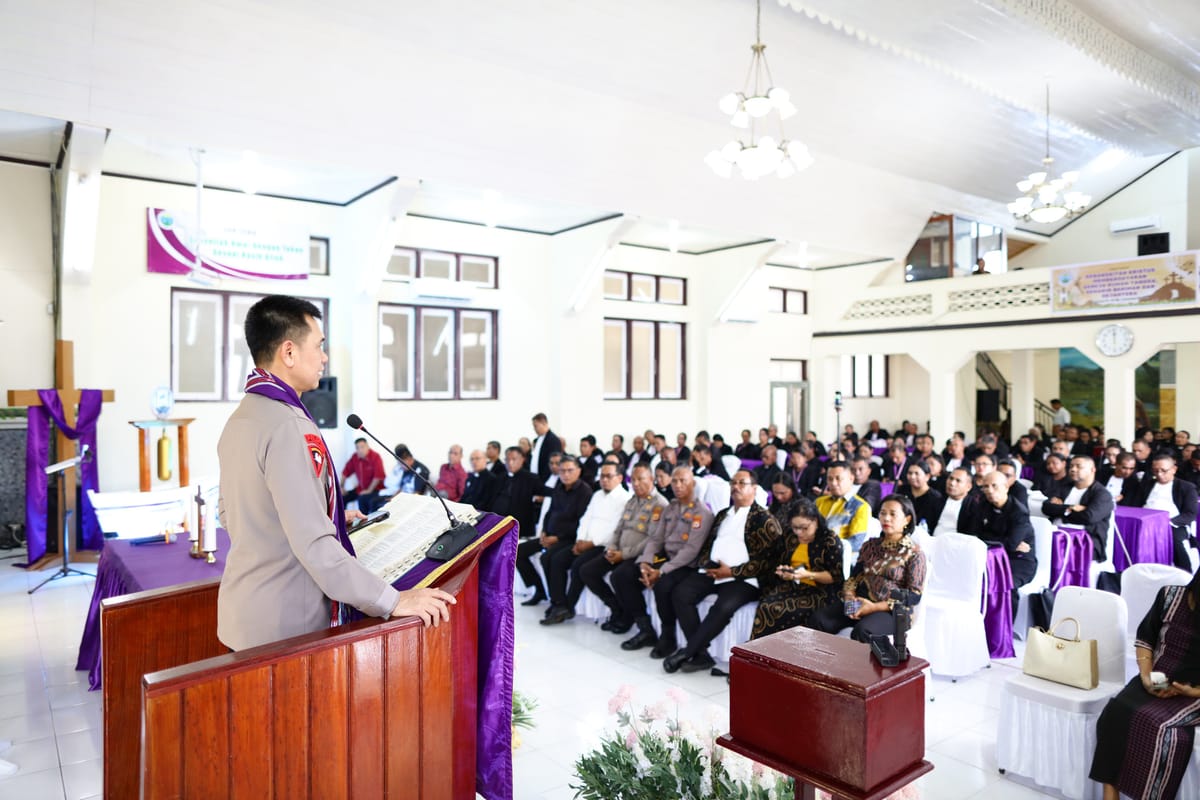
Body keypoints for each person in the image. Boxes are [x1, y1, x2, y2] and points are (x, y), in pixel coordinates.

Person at [216, 295, 452, 651]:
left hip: (246, 615)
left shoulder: (242, 418)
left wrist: (329, 518)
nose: (325, 358)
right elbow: (314, 547)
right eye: (320, 345)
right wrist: (393, 601)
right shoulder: (288, 426)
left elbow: (232, 514)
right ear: (290, 352)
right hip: (285, 628)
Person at [1090, 574, 1200, 800]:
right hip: (1158, 676)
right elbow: (1145, 639)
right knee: (1115, 711)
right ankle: (1110, 795)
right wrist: (1148, 677)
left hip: (1194, 693)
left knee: (1159, 729)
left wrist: (1193, 691)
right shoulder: (1170, 595)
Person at [662, 471, 780, 674]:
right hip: (714, 572)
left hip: (745, 579)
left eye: (742, 483)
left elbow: (769, 561)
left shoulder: (764, 519)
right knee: (681, 594)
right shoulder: (723, 514)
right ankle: (702, 656)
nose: (736, 487)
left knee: (722, 607)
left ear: (754, 488)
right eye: (733, 483)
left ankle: (687, 652)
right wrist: (709, 565)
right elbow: (708, 545)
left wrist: (732, 571)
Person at [615, 468, 714, 657]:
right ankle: (645, 628)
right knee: (623, 575)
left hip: (687, 565)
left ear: (693, 483)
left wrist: (660, 572)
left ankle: (668, 637)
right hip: (666, 558)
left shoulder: (702, 513)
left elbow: (690, 551)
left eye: (683, 481)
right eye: (674, 481)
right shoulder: (670, 508)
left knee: (662, 586)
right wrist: (645, 562)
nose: (677, 485)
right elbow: (656, 539)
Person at [806, 495, 926, 643]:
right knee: (819, 620)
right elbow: (854, 577)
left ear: (907, 519)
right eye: (882, 513)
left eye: (892, 514)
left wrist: (874, 607)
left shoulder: (914, 553)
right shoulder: (870, 546)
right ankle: (819, 663)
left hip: (891, 611)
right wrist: (850, 598)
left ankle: (857, 667)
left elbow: (913, 595)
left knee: (863, 631)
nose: (886, 518)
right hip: (859, 602)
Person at [579, 464, 668, 634]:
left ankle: (644, 627)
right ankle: (617, 608)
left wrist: (623, 555)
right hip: (620, 551)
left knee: (620, 576)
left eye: (640, 479)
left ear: (651, 479)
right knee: (587, 571)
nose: (635, 483)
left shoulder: (660, 504)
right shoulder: (632, 501)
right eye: (632, 480)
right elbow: (619, 528)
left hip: (643, 556)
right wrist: (612, 548)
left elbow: (653, 539)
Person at [541, 462, 630, 624]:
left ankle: (568, 606)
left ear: (619, 478)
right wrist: (580, 540)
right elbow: (586, 519)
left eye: (608, 476)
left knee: (579, 566)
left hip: (603, 545)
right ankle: (559, 604)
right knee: (556, 559)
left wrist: (590, 543)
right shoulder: (597, 495)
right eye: (602, 476)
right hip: (584, 541)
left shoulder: (624, 499)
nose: (604, 480)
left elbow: (614, 529)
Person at [753, 500, 842, 639]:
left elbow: (835, 577)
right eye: (795, 527)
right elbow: (777, 560)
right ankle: (758, 653)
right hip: (793, 585)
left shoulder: (829, 540)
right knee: (766, 606)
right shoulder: (790, 536)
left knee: (788, 610)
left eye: (804, 527)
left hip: (819, 591)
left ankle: (783, 654)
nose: (799, 532)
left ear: (816, 521)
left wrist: (807, 575)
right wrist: (785, 572)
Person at [966, 472, 1037, 592]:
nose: (989, 490)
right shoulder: (982, 506)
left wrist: (988, 539)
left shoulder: (1019, 512)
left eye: (994, 486)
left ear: (1006, 487)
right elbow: (973, 535)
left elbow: (1010, 545)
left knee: (1002, 585)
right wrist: (1002, 542)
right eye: (985, 487)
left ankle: (1007, 611)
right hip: (988, 556)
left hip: (1016, 560)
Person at [1039, 456, 1114, 563]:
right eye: (1071, 466)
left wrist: (1060, 510)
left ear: (1092, 470)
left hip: (1083, 541)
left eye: (1079, 467)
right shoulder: (1065, 487)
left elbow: (1089, 517)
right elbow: (1046, 507)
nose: (1073, 469)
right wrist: (1069, 508)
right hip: (1055, 534)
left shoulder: (1102, 494)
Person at [1136, 454, 1200, 572]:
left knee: (1175, 542)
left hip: (1173, 524)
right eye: (1155, 471)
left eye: (1163, 471)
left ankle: (1185, 574)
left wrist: (1168, 523)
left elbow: (1190, 513)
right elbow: (1137, 505)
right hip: (1146, 522)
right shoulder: (1147, 484)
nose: (1159, 474)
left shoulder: (1186, 487)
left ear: (1174, 469)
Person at [816, 462, 871, 552]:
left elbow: (856, 542)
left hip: (838, 555)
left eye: (838, 479)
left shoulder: (860, 506)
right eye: (830, 479)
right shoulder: (819, 502)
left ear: (851, 478)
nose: (833, 483)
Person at [489, 446, 540, 539]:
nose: (510, 463)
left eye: (514, 459)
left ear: (522, 460)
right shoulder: (500, 477)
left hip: (520, 527)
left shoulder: (531, 478)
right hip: (497, 523)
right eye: (507, 460)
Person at [341, 437, 386, 514]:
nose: (360, 450)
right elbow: (345, 472)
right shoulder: (355, 457)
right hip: (361, 489)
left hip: (376, 489)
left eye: (362, 447)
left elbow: (378, 477)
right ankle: (343, 520)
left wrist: (369, 490)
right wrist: (341, 487)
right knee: (342, 498)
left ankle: (363, 522)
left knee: (362, 499)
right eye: (357, 448)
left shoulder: (375, 457)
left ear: (367, 446)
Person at [931, 467, 977, 536]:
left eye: (958, 481)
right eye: (951, 478)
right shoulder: (937, 500)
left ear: (968, 487)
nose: (952, 483)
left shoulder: (973, 506)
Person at [900, 461, 943, 531]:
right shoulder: (902, 490)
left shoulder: (935, 497)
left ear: (927, 476)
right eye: (910, 473)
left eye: (917, 474)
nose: (912, 477)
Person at [530, 413, 563, 482]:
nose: (534, 429)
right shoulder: (537, 439)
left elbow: (553, 462)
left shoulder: (553, 440)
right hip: (535, 477)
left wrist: (542, 480)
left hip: (545, 479)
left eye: (536, 426)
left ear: (544, 423)